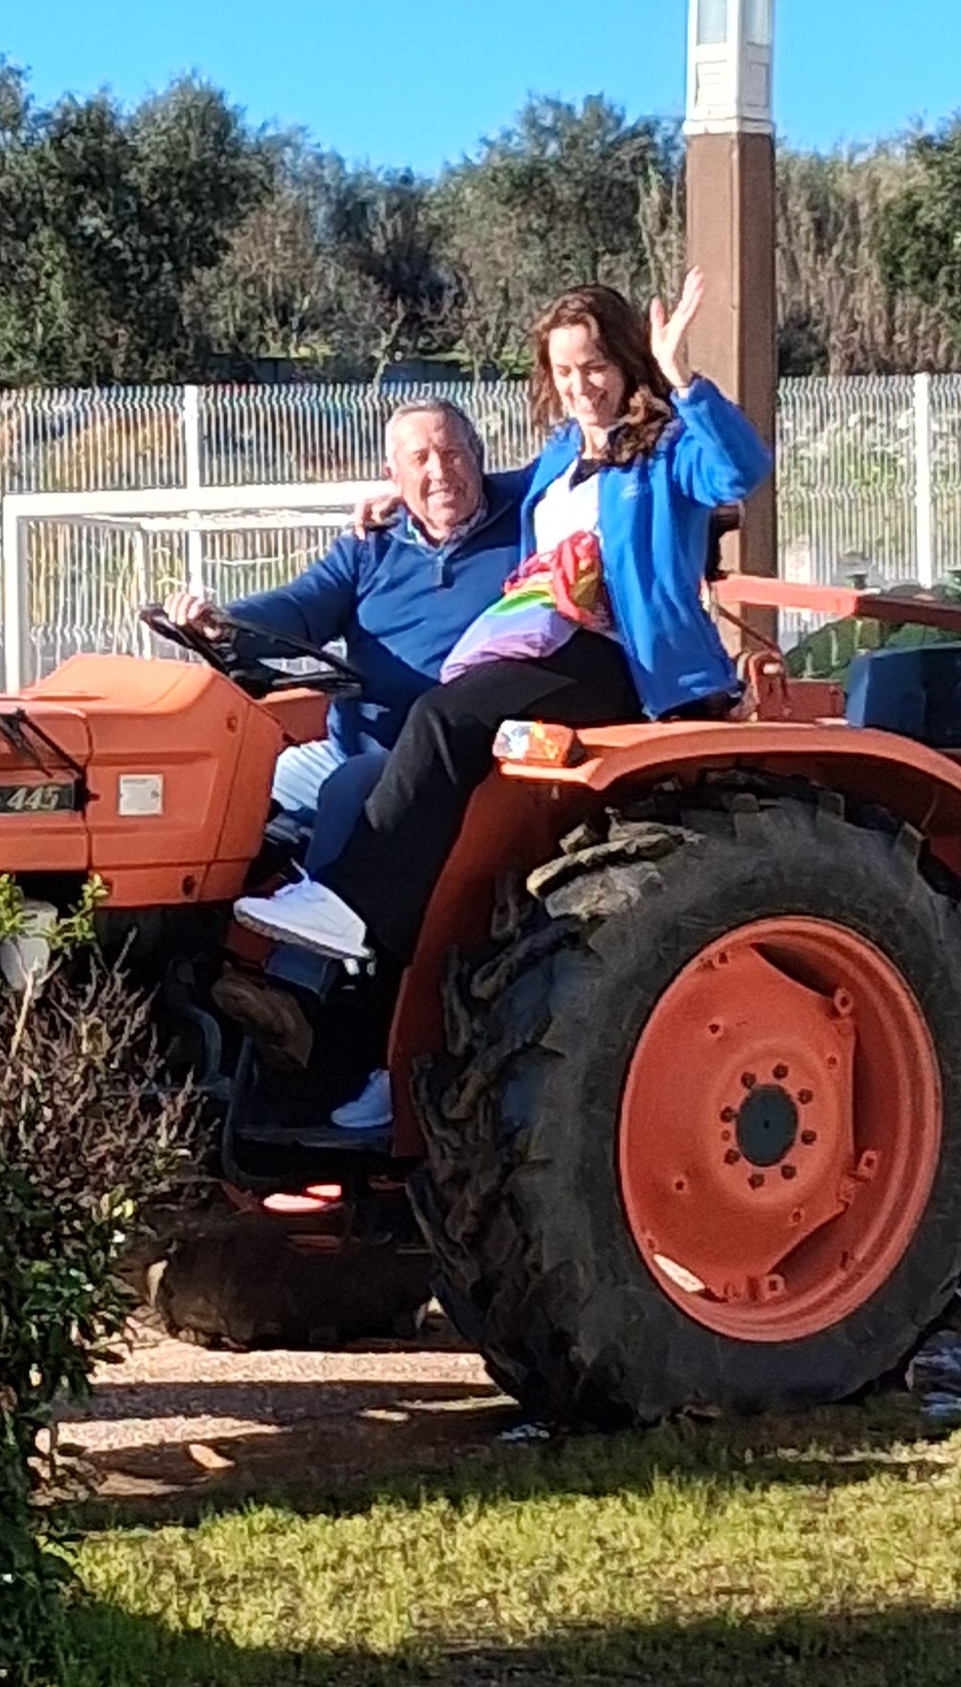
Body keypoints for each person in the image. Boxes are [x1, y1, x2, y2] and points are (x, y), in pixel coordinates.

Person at [233, 274, 771, 1135]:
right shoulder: (560, 458)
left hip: (621, 658)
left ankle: (345, 905)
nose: (581, 385)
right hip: (547, 644)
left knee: (445, 717)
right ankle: (340, 1046)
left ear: (624, 363)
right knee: (427, 785)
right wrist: (396, 494)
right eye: (564, 372)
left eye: (595, 365)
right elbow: (473, 482)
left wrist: (682, 379)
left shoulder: (665, 447)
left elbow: (741, 469)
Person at [163, 398, 522, 874]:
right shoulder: (371, 544)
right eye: (419, 459)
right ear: (391, 475)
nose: (439, 471)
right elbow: (304, 604)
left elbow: (575, 453)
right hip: (348, 745)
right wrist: (222, 622)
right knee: (227, 792)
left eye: (452, 453)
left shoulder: (524, 520)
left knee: (348, 788)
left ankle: (321, 943)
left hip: (449, 763)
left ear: (477, 454)